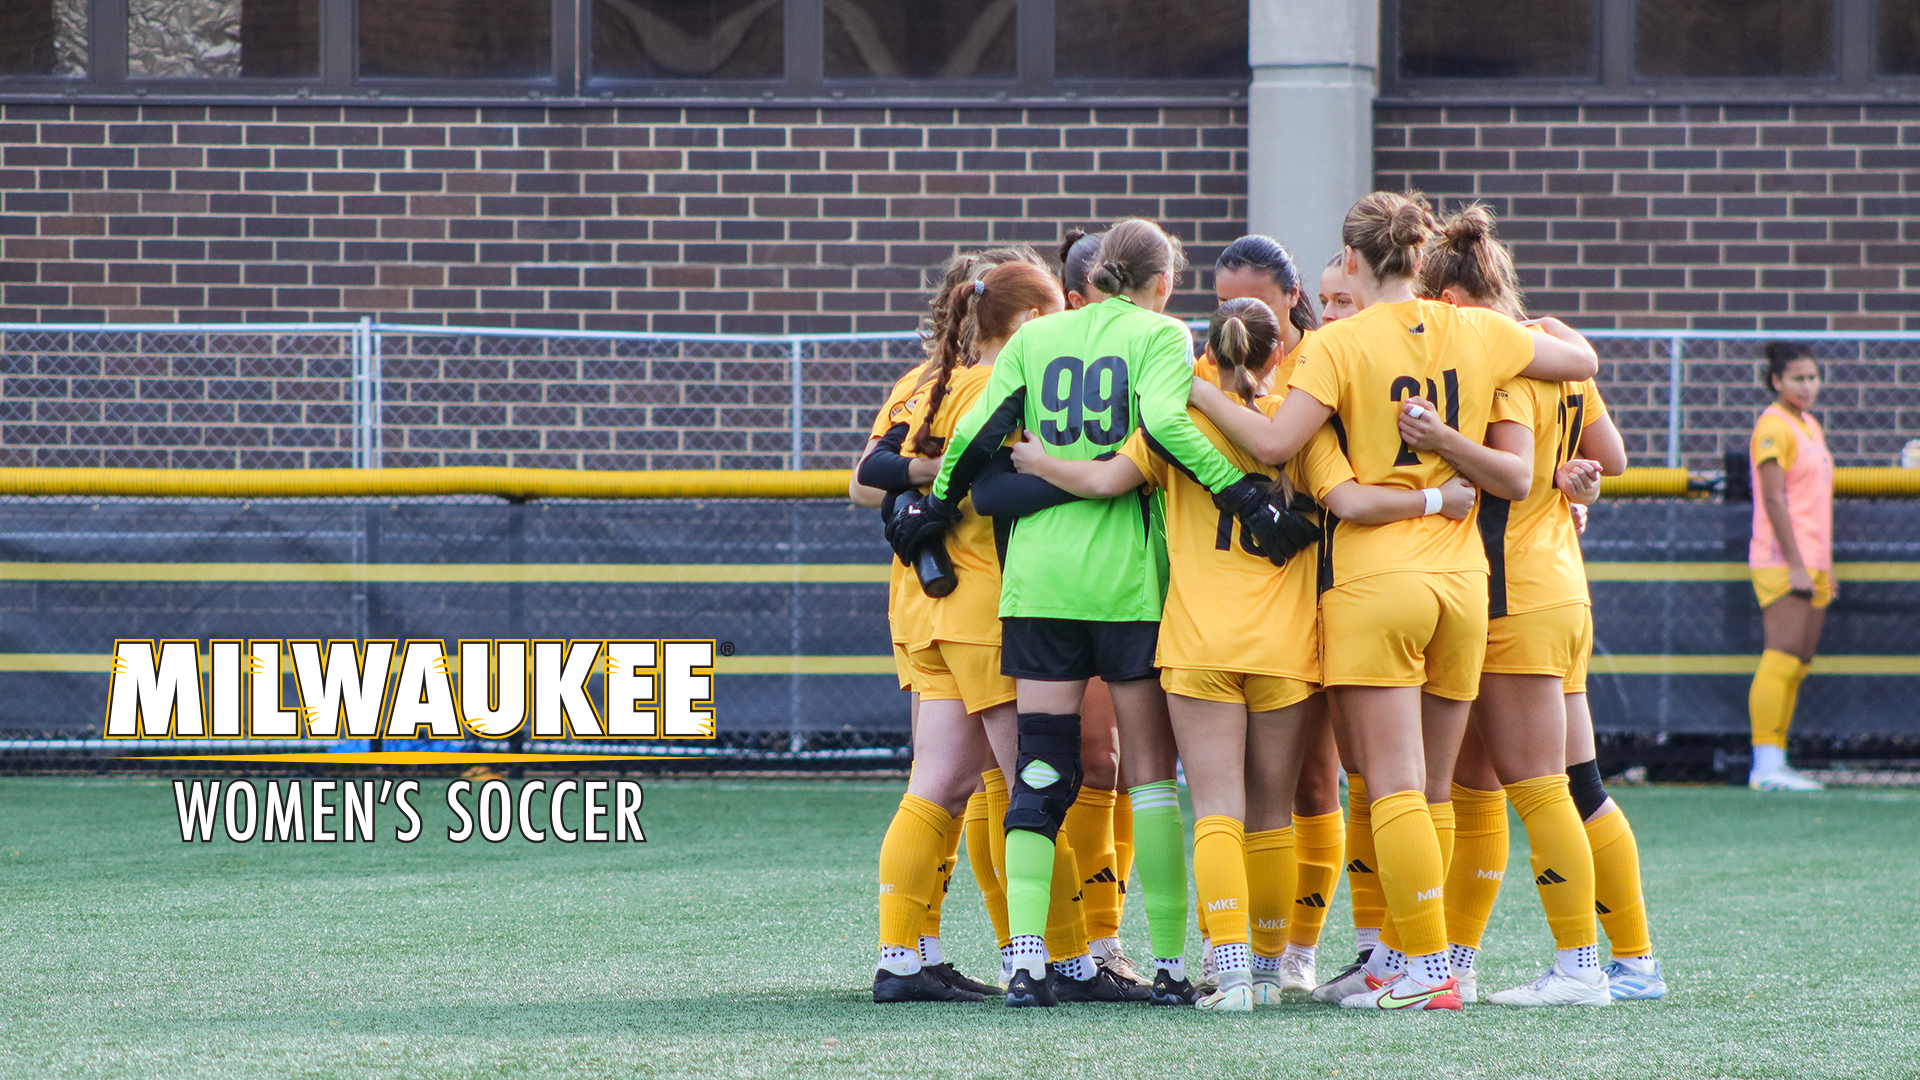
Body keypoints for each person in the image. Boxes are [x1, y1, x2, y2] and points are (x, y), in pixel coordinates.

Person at [1187, 190, 1599, 1011]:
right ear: (1420, 257)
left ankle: (1427, 968)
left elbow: (1271, 443)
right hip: (1463, 582)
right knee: (1436, 791)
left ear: (1351, 259)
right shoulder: (1481, 329)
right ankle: (1430, 959)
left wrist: (1191, 389)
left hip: (1377, 582)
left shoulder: (1337, 346)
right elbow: (1580, 364)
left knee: (1396, 788)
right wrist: (1548, 328)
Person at [890, 217, 1309, 1008]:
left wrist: (933, 508)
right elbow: (1169, 425)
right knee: (1149, 780)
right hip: (1124, 585)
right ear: (1164, 283)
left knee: (1038, 775)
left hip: (1038, 585)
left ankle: (1024, 963)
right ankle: (1172, 968)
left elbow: (978, 435)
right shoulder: (1158, 334)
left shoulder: (1038, 338)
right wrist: (1247, 499)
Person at [1011, 296, 1474, 1010]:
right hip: (1287, 647)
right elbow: (1349, 499)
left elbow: (1104, 481)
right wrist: (1439, 499)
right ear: (1277, 352)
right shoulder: (1300, 421)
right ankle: (1268, 964)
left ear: (1208, 351)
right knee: (1271, 814)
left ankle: (1228, 977)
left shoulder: (1177, 417)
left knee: (1215, 811)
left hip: (1198, 640)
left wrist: (1039, 461)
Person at [1406, 204, 1614, 1007]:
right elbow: (1611, 458)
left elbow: (1513, 474)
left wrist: (1442, 443)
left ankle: (1582, 965)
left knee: (1539, 785)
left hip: (1516, 591)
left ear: (1451, 304)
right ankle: (1454, 961)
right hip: (1554, 582)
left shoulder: (1503, 363)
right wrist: (1577, 480)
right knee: (1481, 786)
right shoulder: (1551, 346)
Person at [858, 248, 1046, 1002]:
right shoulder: (1005, 383)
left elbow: (863, 477)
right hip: (982, 600)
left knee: (938, 781)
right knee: (1027, 778)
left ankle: (905, 955)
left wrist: (920, 478)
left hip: (921, 604)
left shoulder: (919, 382)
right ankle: (1044, 955)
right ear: (1028, 319)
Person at [1205, 235, 1344, 993]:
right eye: (1226, 300)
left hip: (1324, 592)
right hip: (1245, 606)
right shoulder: (1205, 372)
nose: (1238, 312)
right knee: (1255, 795)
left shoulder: (1325, 362)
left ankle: (1296, 947)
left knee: (1314, 784)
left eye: (1252, 299)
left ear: (1293, 297)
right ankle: (1251, 951)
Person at [1746, 341, 1833, 792]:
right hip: (1783, 561)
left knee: (1798, 662)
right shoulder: (1773, 425)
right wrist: (1797, 565)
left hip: (1814, 561)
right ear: (1776, 381)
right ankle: (1765, 766)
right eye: (1798, 378)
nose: (1808, 386)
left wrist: (1824, 566)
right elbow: (1775, 499)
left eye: (1813, 377)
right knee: (1779, 658)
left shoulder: (1810, 425)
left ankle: (1777, 760)